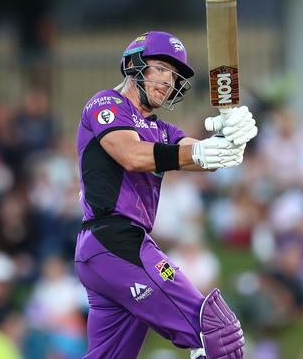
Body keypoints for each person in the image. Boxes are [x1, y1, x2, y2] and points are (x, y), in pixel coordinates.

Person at [73, 31, 257, 359]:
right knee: (217, 332)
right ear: (134, 66)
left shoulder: (162, 130)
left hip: (110, 251)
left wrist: (230, 138)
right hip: (116, 242)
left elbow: (199, 156)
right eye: (160, 68)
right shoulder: (106, 104)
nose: (167, 80)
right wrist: (199, 153)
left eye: (173, 75)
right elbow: (131, 153)